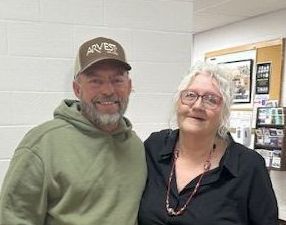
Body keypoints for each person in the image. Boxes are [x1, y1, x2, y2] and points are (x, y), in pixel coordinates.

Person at [0, 37, 147, 225]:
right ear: (77, 89)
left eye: (117, 80)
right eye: (95, 81)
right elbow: (13, 218)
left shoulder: (135, 146)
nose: (108, 90)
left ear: (129, 86)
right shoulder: (42, 145)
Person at [138, 61, 278, 225]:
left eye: (211, 99)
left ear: (224, 111)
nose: (197, 105)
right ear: (178, 103)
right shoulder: (154, 148)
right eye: (190, 95)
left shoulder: (248, 166)